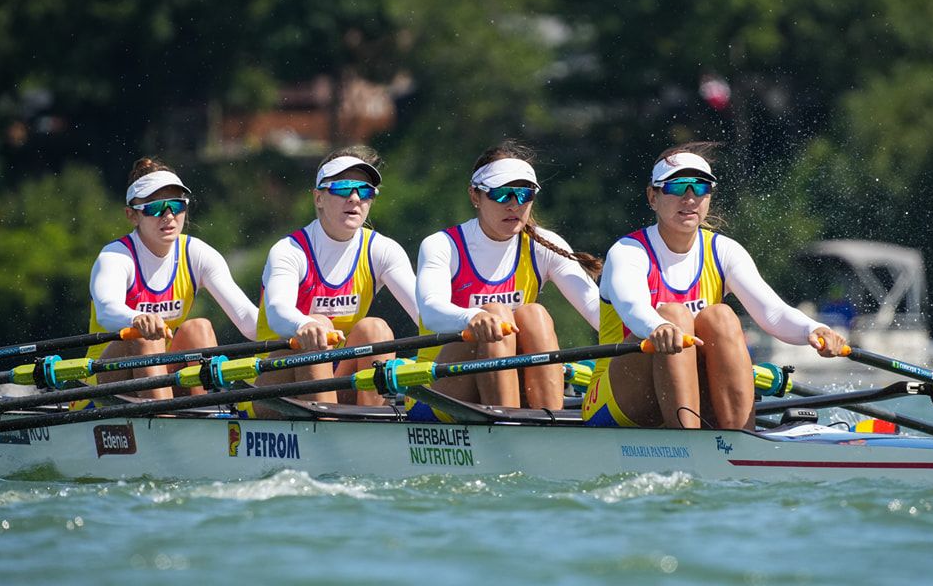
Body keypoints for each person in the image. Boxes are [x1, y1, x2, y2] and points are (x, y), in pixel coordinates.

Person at [582, 142, 846, 429]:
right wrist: (657, 328)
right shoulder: (628, 251)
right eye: (676, 187)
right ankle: (688, 442)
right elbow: (632, 306)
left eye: (701, 187)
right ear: (653, 197)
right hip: (617, 401)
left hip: (691, 390)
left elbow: (772, 312)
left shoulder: (724, 251)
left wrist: (814, 329)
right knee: (675, 316)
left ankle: (739, 441)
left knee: (720, 316)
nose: (690, 198)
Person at [414, 140, 601, 415]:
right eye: (502, 195)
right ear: (475, 196)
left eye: (524, 194)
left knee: (534, 314)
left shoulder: (544, 245)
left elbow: (600, 314)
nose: (514, 204)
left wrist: (652, 327)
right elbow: (430, 311)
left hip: (513, 386)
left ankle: (549, 425)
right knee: (496, 312)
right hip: (439, 393)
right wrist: (472, 318)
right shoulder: (442, 245)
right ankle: (512, 432)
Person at [79, 157, 259, 406]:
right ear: (132, 215)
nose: (168, 216)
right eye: (155, 207)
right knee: (142, 335)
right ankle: (166, 419)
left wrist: (301, 323)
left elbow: (250, 322)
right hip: (104, 385)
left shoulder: (196, 253)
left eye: (176, 205)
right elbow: (107, 310)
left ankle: (207, 414)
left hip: (158, 370)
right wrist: (135, 319)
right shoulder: (115, 256)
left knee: (199, 328)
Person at [254, 146, 418, 411]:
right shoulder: (289, 250)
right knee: (318, 323)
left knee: (374, 328)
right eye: (343, 188)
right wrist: (305, 324)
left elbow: (425, 313)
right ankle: (328, 428)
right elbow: (277, 310)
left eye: (364, 191)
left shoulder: (382, 250)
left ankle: (374, 422)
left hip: (336, 375)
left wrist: (472, 319)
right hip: (275, 385)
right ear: (318, 198)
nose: (354, 198)